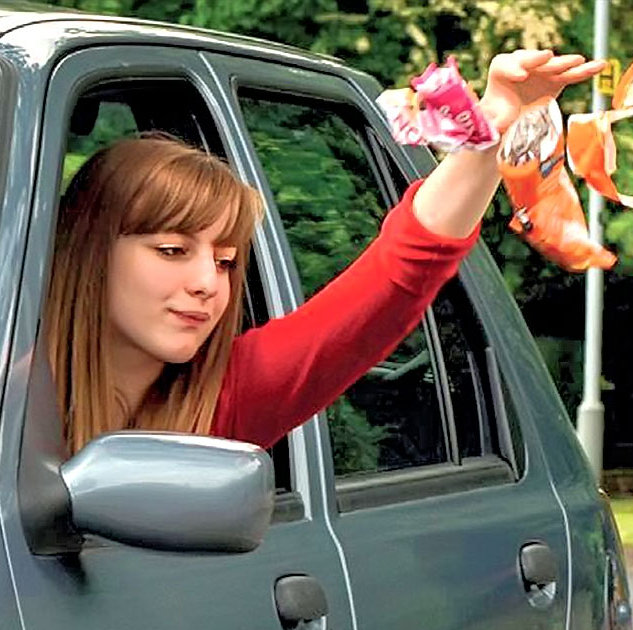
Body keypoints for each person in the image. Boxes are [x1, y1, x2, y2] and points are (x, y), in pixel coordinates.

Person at [43, 49, 603, 456]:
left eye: (225, 261)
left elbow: (401, 271)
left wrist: (491, 128)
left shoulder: (227, 398)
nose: (207, 284)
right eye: (171, 250)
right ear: (90, 251)